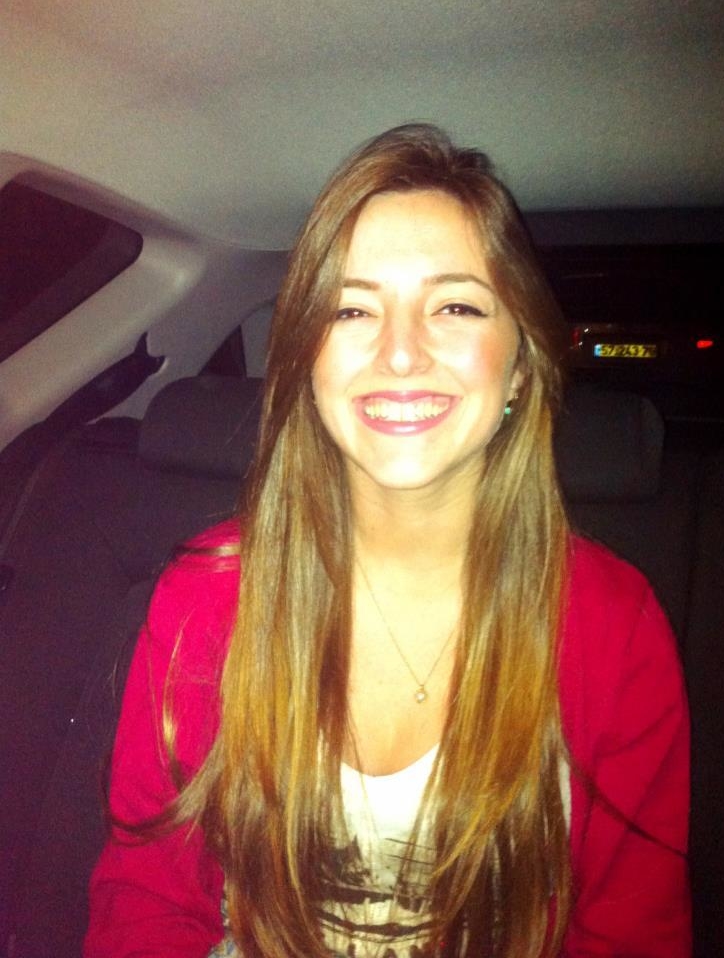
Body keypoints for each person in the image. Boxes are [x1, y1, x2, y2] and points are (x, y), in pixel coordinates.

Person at [85, 124, 691, 958]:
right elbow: (145, 899)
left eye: (454, 306)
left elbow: (629, 934)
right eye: (352, 309)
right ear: (306, 362)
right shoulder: (208, 592)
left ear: (520, 367)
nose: (400, 354)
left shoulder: (612, 624)